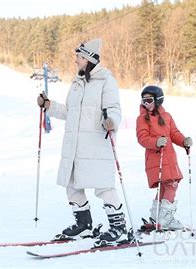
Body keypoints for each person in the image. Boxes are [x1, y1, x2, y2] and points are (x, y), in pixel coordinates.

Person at [37, 38, 128, 246]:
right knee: (71, 184)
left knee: (103, 186)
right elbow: (70, 112)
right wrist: (49, 105)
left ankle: (119, 228)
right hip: (74, 146)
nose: (75, 61)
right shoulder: (77, 83)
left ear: (88, 59)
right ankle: (84, 226)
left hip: (96, 144)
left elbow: (114, 109)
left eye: (78, 57)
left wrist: (111, 121)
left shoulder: (106, 80)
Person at [136, 85, 193, 230]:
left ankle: (156, 217)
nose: (146, 104)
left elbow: (174, 133)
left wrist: (184, 141)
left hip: (169, 158)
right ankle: (166, 219)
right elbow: (142, 138)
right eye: (144, 101)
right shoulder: (142, 119)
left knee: (164, 187)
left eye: (149, 100)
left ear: (158, 100)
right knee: (171, 185)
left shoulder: (167, 117)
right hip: (156, 159)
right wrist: (155, 142)